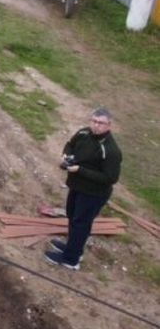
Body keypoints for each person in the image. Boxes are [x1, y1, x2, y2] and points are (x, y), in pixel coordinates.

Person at [47, 108, 122, 270]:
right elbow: (70, 145)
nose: (96, 126)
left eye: (101, 123)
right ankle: (73, 249)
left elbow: (110, 178)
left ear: (109, 125)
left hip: (93, 194)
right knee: (73, 217)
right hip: (77, 186)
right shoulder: (83, 133)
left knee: (81, 223)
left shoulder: (111, 150)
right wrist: (66, 156)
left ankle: (70, 259)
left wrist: (79, 170)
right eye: (94, 121)